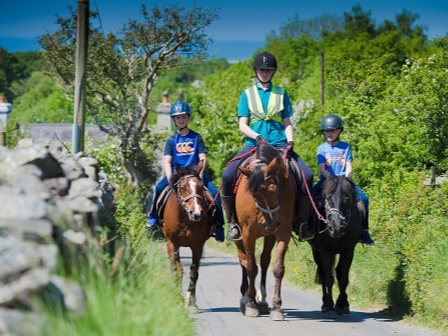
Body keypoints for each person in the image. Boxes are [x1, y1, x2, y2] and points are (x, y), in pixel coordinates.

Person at [221, 51, 314, 241]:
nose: (265, 72)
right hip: (254, 145)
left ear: (273, 72)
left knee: (308, 175)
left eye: (268, 70)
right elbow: (242, 124)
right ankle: (233, 223)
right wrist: (256, 137)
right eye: (262, 70)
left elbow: (287, 121)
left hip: (279, 144)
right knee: (228, 174)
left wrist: (290, 140)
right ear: (256, 71)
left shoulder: (281, 93)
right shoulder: (246, 94)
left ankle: (302, 223)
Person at [146, 100, 225, 242]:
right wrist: (170, 177)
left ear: (188, 118)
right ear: (174, 120)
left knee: (215, 194)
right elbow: (167, 161)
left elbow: (202, 158)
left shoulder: (196, 137)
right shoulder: (171, 140)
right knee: (158, 188)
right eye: (178, 117)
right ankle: (154, 217)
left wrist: (200, 174)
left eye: (183, 117)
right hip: (178, 174)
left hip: (195, 174)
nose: (181, 120)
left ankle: (219, 225)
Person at [313, 114, 375, 245]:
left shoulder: (345, 147)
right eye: (326, 130)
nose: (329, 133)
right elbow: (322, 168)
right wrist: (330, 179)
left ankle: (364, 231)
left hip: (343, 180)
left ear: (339, 130)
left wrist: (347, 178)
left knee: (364, 199)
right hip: (327, 180)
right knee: (309, 197)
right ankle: (308, 227)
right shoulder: (321, 148)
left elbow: (348, 165)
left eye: (332, 130)